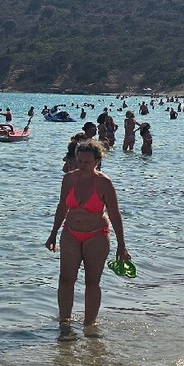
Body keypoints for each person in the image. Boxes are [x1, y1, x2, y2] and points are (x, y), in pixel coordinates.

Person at [45, 141, 130, 341]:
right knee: (66, 279)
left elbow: (115, 214)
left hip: (96, 235)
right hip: (71, 233)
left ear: (97, 161)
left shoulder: (104, 183)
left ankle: (89, 325)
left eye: (87, 162)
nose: (82, 165)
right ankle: (64, 323)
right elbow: (61, 208)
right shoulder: (68, 179)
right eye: (79, 161)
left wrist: (122, 245)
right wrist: (53, 233)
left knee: (92, 281)